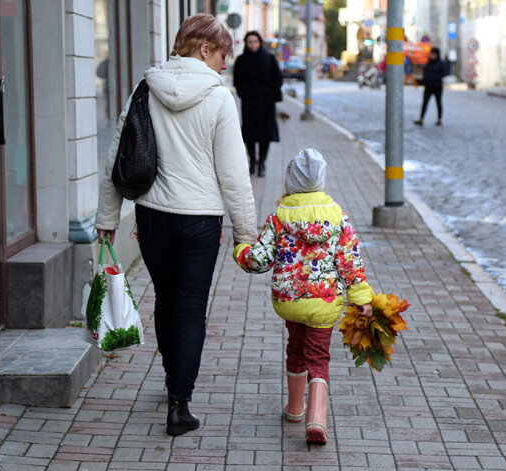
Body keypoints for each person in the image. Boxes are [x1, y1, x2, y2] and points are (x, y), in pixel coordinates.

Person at [95, 13, 258, 436]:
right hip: (200, 222)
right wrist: (247, 235)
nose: (225, 64)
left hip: (151, 218)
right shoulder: (220, 98)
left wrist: (107, 218)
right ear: (204, 49)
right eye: (224, 54)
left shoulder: (144, 88)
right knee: (189, 309)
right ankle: (179, 404)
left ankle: (171, 382)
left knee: (166, 300)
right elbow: (235, 176)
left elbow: (119, 156)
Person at [232, 149, 373, 444]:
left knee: (295, 348)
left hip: (290, 300)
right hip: (324, 302)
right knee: (318, 356)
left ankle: (295, 408)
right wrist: (361, 297)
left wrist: (240, 251)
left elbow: (258, 260)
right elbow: (350, 261)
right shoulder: (337, 215)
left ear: (291, 181)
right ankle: (317, 419)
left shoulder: (280, 215)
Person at [233, 31, 283, 177]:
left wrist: (271, 93)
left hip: (266, 102)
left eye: (255, 41)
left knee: (265, 134)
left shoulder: (270, 58)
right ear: (246, 43)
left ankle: (262, 162)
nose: (252, 44)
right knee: (249, 134)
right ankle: (252, 162)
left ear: (260, 42)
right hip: (249, 102)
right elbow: (237, 81)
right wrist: (244, 93)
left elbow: (278, 79)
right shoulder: (241, 60)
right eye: (249, 42)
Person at [414, 47, 449, 126]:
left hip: (437, 86)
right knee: (425, 103)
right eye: (431, 54)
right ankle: (421, 119)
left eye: (433, 54)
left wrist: (435, 77)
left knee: (438, 103)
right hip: (428, 86)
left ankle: (439, 119)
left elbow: (444, 72)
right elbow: (425, 72)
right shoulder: (429, 63)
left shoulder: (440, 63)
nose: (432, 56)